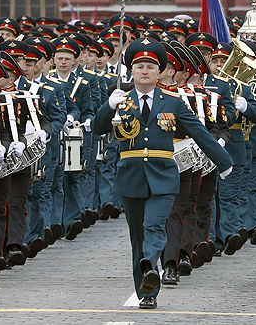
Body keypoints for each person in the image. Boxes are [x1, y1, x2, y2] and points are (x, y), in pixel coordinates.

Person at [94, 38, 232, 310]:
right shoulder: (120, 98)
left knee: (155, 226)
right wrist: (108, 106)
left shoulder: (173, 101)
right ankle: (146, 290)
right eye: (139, 66)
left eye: (150, 66)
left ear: (160, 72)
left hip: (163, 175)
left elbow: (199, 132)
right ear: (131, 71)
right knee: (137, 236)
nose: (144, 71)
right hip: (131, 175)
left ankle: (150, 264)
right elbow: (98, 129)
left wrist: (223, 161)